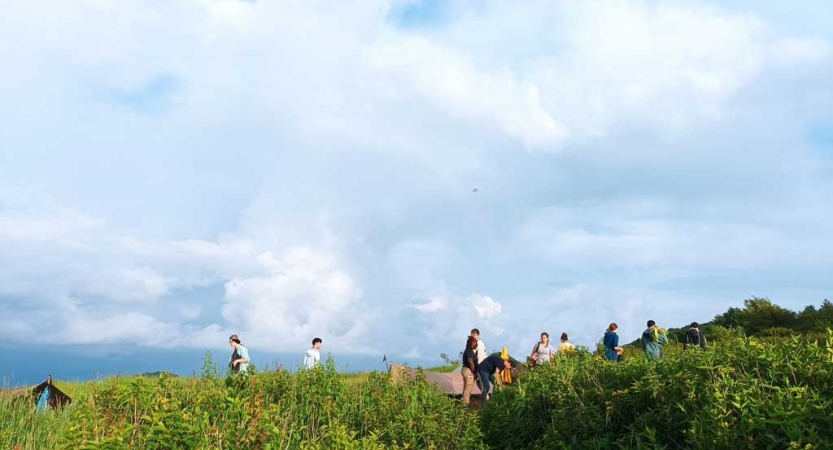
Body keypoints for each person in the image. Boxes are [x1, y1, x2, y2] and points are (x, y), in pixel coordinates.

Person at [461, 336, 478, 406]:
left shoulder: (468, 350)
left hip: (465, 370)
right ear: (471, 343)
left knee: (466, 387)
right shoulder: (469, 351)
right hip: (468, 371)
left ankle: (463, 402)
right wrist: (474, 372)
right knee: (468, 387)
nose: (476, 344)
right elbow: (471, 362)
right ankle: (466, 404)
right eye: (475, 343)